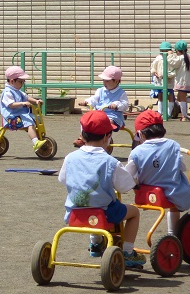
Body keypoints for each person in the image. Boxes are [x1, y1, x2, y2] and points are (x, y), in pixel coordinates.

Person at [126, 110, 190, 256]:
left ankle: (173, 236)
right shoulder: (173, 145)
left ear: (141, 134)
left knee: (174, 205)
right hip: (172, 192)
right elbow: (180, 167)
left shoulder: (136, 152)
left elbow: (129, 176)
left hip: (146, 194)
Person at [58, 110, 144, 267]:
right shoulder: (110, 162)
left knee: (90, 200)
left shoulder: (70, 157)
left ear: (82, 135)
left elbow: (63, 179)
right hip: (104, 213)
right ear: (107, 137)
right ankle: (128, 252)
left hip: (74, 212)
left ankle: (96, 243)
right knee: (133, 213)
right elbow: (124, 187)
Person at [75, 66, 134, 148]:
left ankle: (105, 143)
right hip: (99, 114)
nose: (104, 83)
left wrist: (116, 105)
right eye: (103, 80)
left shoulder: (121, 93)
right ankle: (83, 138)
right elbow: (94, 99)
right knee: (86, 120)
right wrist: (87, 102)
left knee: (107, 123)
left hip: (113, 116)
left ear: (117, 81)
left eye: (107, 81)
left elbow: (125, 105)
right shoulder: (100, 90)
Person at [0, 66, 47, 151]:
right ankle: (36, 142)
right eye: (21, 82)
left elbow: (27, 97)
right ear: (12, 81)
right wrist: (23, 103)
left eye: (23, 82)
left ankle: (38, 137)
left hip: (20, 114)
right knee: (29, 123)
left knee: (37, 119)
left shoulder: (17, 91)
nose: (22, 84)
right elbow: (11, 104)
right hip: (11, 117)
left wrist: (36, 101)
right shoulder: (7, 92)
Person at [169, 41, 190, 122]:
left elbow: (172, 63)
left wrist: (170, 55)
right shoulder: (189, 58)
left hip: (182, 81)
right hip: (189, 82)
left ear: (177, 51)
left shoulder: (180, 58)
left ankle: (184, 116)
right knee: (180, 98)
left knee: (182, 99)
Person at [150, 41, 176, 118]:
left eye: (166, 50)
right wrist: (155, 73)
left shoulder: (172, 59)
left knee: (170, 96)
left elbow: (174, 70)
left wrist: (168, 76)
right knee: (160, 96)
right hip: (159, 81)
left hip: (169, 81)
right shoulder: (158, 58)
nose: (164, 52)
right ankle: (160, 113)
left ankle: (168, 114)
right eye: (163, 50)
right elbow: (153, 67)